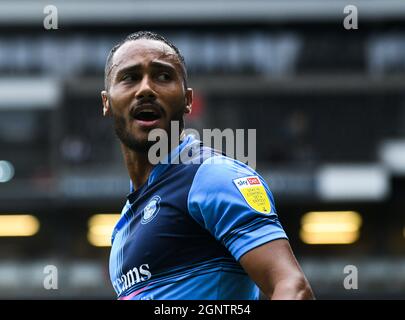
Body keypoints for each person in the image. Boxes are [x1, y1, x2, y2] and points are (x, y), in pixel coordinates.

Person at [101, 31, 314, 300]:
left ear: (188, 100)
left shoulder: (214, 177)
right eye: (130, 77)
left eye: (163, 76)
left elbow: (292, 287)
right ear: (106, 102)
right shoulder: (123, 225)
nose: (146, 89)